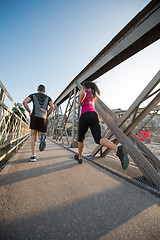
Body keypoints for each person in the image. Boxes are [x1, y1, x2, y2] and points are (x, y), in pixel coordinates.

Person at [75, 81, 129, 170]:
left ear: (84, 87)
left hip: (85, 115)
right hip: (94, 115)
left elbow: (82, 93)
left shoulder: (84, 92)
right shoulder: (92, 95)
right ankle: (117, 149)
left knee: (80, 138)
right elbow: (85, 94)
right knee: (98, 138)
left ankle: (80, 157)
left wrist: (79, 103)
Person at [23, 84, 54, 162]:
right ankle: (42, 139)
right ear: (44, 91)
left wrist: (29, 111)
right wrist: (47, 114)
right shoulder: (48, 97)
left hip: (35, 116)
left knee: (33, 135)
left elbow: (24, 102)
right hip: (43, 117)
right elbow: (52, 107)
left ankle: (33, 156)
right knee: (41, 134)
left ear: (37, 90)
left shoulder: (33, 95)